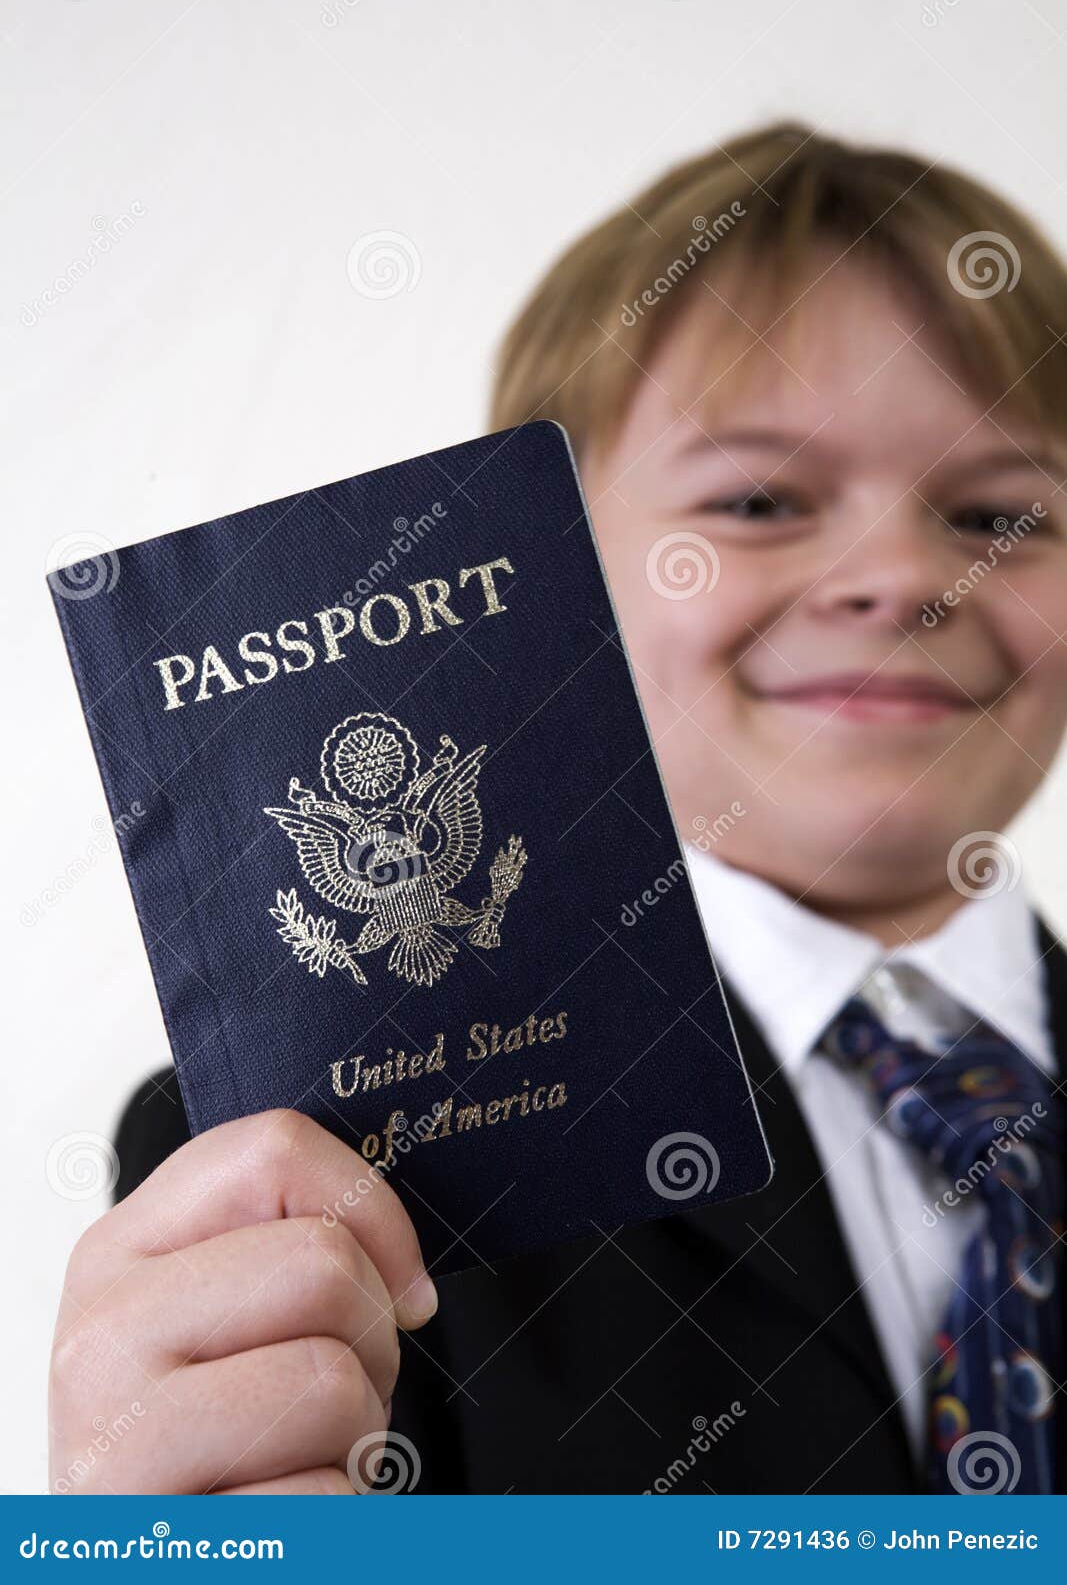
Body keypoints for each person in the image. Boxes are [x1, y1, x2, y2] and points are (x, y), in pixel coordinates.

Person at [49, 122, 1067, 1494]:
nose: (898, 574)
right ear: (545, 564)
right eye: (760, 499)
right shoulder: (312, 1171)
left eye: (1005, 512)